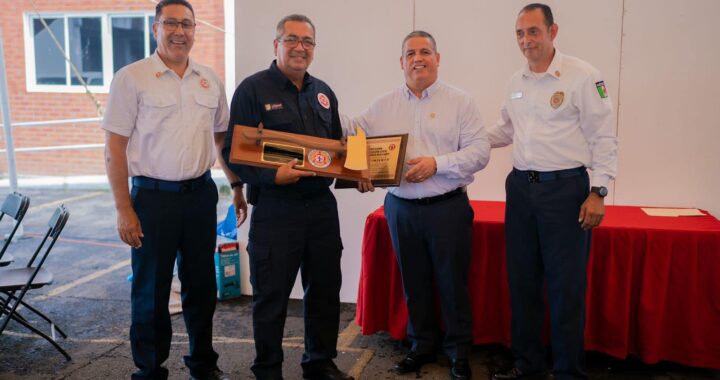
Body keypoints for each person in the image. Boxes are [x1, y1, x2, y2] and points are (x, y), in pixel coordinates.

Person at [103, 1, 244, 379]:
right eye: (171, 24)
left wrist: (235, 185)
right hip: (152, 199)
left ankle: (202, 362)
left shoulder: (209, 79)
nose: (179, 31)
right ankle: (150, 369)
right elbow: (114, 148)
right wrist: (124, 210)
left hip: (200, 196)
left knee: (201, 285)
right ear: (155, 28)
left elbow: (221, 138)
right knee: (151, 290)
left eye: (187, 24)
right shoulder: (132, 78)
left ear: (196, 29)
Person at [346, 31, 490, 380]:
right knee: (414, 282)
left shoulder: (461, 102)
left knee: (452, 283)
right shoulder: (383, 105)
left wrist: (437, 164)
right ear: (401, 62)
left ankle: (458, 353)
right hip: (401, 208)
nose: (418, 58)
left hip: (447, 207)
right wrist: (357, 171)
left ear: (438, 58)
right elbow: (353, 135)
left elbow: (480, 152)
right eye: (410, 53)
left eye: (425, 51)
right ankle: (421, 346)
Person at [488, 4, 618, 380]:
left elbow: (604, 137)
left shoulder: (583, 76)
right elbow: (506, 130)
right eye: (519, 34)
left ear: (552, 31)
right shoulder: (516, 82)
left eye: (533, 32)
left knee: (566, 286)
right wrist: (467, 140)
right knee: (523, 282)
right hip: (521, 191)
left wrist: (599, 191)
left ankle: (568, 372)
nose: (526, 41)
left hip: (565, 192)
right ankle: (527, 365)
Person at [221, 14, 353, 380]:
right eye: (291, 39)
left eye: (307, 41)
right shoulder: (252, 90)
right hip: (277, 209)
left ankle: (319, 362)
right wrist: (272, 176)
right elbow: (234, 151)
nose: (300, 47)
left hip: (321, 209)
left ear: (313, 48)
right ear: (276, 44)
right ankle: (268, 370)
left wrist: (357, 175)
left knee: (325, 290)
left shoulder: (324, 93)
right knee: (271, 296)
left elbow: (336, 150)